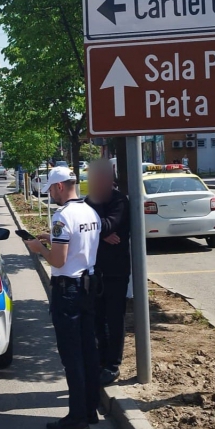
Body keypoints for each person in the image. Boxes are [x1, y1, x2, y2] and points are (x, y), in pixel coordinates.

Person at [25, 166, 101, 429]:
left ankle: (76, 418)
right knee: (88, 351)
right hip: (88, 285)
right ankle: (90, 409)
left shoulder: (62, 215)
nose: (51, 196)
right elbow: (80, 245)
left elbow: (58, 260)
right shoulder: (90, 211)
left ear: (59, 186)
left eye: (51, 190)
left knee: (72, 355)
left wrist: (40, 248)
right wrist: (53, 239)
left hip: (68, 289)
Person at [85, 160, 131, 386]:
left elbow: (109, 224)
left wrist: (96, 230)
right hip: (94, 269)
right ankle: (101, 360)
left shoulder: (120, 201)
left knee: (114, 320)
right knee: (97, 319)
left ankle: (113, 365)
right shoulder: (88, 201)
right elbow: (86, 227)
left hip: (116, 271)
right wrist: (102, 233)